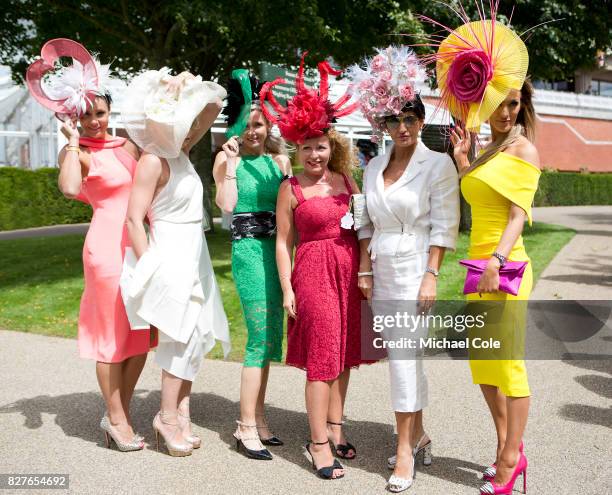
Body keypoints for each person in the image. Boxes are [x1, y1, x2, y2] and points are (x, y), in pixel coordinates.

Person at [424, 4, 539, 493]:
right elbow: (478, 197)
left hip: (504, 266)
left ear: (521, 107)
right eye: (499, 103)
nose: (506, 112)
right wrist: (464, 160)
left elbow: (515, 215)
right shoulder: (488, 151)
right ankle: (502, 446)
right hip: (478, 267)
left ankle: (512, 458)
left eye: (514, 104)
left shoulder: (523, 149)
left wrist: (496, 261)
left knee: (508, 364)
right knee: (484, 364)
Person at [26, 39, 155, 452]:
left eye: (99, 113)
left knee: (144, 334)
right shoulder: (78, 151)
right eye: (85, 115)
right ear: (74, 116)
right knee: (111, 336)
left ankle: (119, 411)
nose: (94, 121)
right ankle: (117, 419)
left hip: (138, 246)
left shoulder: (127, 147)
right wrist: (73, 143)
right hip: (105, 251)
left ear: (109, 112)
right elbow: (68, 189)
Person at [348, 45, 460, 492]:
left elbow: (443, 224)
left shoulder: (437, 165)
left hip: (416, 269)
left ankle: (402, 451)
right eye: (394, 120)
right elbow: (364, 219)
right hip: (381, 271)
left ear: (420, 119)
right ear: (383, 124)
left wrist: (432, 273)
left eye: (411, 117)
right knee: (404, 358)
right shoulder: (373, 166)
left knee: (402, 360)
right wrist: (363, 269)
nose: (403, 127)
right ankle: (421, 434)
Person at [265, 53, 373, 480]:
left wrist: (365, 268)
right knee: (323, 357)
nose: (314, 153)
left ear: (333, 147)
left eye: (321, 146)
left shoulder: (348, 181)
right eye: (307, 147)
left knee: (344, 355)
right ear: (298, 148)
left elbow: (362, 227)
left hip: (348, 271)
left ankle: (335, 426)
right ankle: (317, 444)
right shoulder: (289, 187)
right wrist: (288, 288)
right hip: (312, 271)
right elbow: (281, 242)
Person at [120, 68, 231, 457]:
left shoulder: (182, 151)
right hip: (168, 252)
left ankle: (181, 412)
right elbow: (134, 219)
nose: (185, 128)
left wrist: (186, 88)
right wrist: (151, 266)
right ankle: (166, 418)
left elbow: (214, 105)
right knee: (178, 336)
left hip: (194, 250)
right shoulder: (153, 160)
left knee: (198, 333)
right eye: (176, 119)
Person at [213, 70, 291, 460]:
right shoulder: (227, 161)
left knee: (271, 339)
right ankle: (244, 427)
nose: (253, 131)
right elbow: (226, 206)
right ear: (237, 125)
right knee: (258, 338)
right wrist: (228, 164)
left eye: (259, 124)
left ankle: (259, 418)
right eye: (247, 124)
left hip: (277, 253)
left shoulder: (279, 161)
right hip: (248, 255)